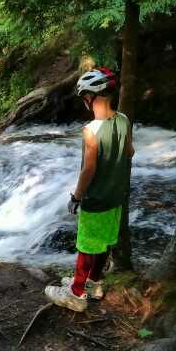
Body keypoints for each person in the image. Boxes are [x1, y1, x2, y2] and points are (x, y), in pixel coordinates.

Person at [43, 67, 134, 312]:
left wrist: (76, 196)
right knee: (104, 242)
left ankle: (76, 294)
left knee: (86, 245)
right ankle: (95, 283)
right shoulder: (124, 120)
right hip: (116, 196)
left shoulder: (91, 130)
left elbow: (88, 170)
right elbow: (130, 152)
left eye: (85, 97)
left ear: (90, 98)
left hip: (96, 198)